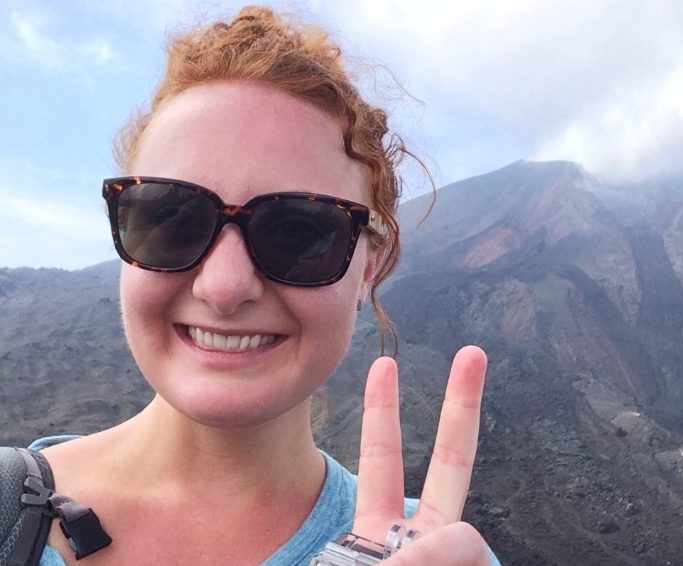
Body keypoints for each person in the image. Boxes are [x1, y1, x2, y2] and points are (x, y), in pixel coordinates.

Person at [31, 6, 499, 565]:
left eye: (300, 231)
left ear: (367, 268)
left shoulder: (429, 556)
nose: (225, 286)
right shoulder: (10, 516)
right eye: (172, 218)